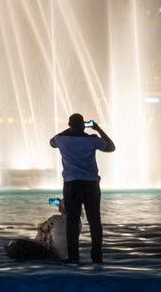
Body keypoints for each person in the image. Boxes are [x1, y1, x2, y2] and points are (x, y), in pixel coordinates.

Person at [50, 113, 116, 265]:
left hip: (71, 185)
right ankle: (97, 257)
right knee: (95, 221)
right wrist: (97, 128)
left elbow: (51, 142)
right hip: (91, 185)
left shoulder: (62, 139)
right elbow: (111, 147)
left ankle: (73, 257)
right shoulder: (92, 140)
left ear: (69, 124)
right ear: (83, 124)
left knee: (72, 221)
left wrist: (68, 130)